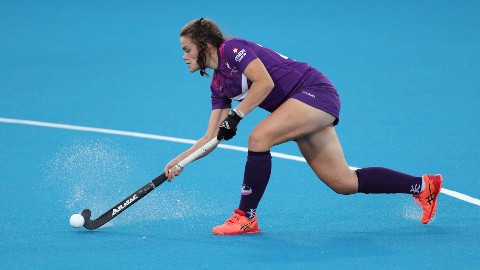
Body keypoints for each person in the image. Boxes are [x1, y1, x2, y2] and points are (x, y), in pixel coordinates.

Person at [163, 18, 443, 235]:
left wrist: (236, 116)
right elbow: (211, 137)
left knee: (259, 137)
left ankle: (246, 217)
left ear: (205, 46)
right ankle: (423, 186)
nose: (184, 56)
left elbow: (265, 83)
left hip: (315, 92)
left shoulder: (232, 49)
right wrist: (179, 162)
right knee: (343, 182)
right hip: (297, 108)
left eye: (187, 49)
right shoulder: (218, 85)